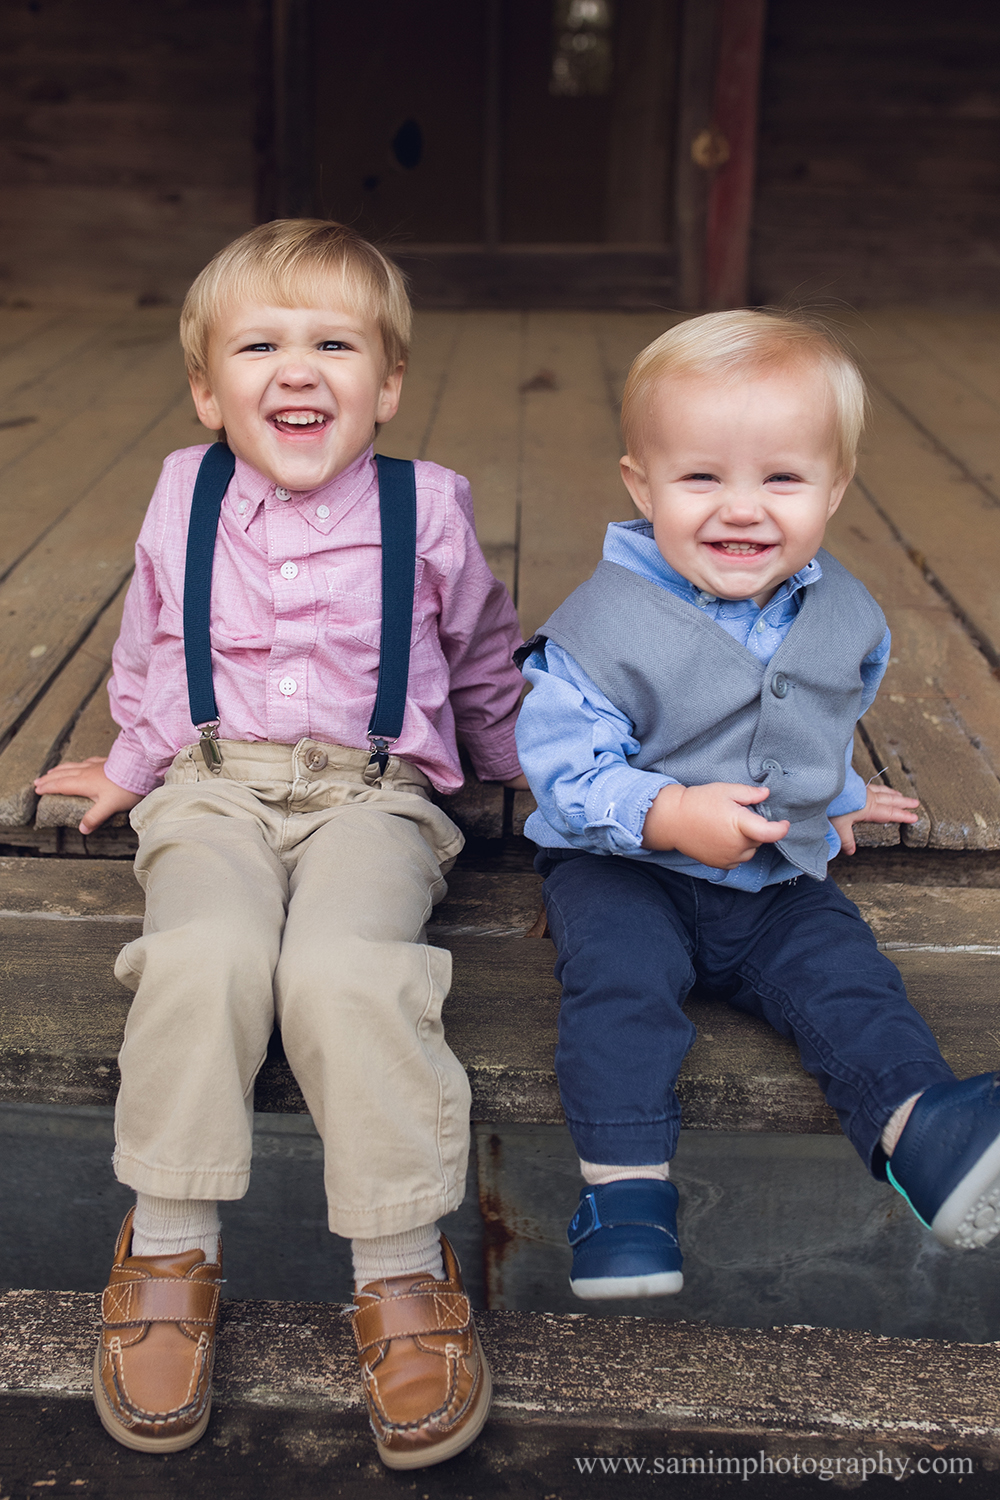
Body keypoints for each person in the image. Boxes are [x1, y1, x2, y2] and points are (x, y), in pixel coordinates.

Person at [34, 219, 527, 1469]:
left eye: (333, 344)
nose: (296, 369)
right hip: (210, 786)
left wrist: (559, 784)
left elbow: (479, 664)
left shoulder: (430, 507)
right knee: (205, 952)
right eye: (260, 344)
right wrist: (133, 763)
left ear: (388, 383)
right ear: (209, 387)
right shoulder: (181, 491)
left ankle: (404, 1270)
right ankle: (167, 1242)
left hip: (372, 796)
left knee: (344, 974)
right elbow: (151, 643)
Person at [514, 309, 1000, 1302]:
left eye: (780, 478)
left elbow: (811, 713)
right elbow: (560, 765)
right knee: (620, 990)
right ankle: (625, 1195)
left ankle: (922, 1132)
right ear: (640, 485)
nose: (741, 508)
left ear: (834, 488)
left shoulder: (845, 613)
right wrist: (664, 814)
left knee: (847, 980)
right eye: (700, 478)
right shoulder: (600, 626)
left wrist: (838, 788)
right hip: (622, 868)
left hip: (774, 875)